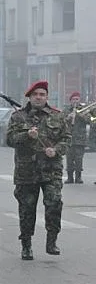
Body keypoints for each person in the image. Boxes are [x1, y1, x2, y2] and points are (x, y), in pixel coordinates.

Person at [7, 80, 71, 260]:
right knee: (27, 210)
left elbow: (66, 139)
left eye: (42, 94)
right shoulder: (18, 117)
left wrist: (56, 150)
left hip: (51, 171)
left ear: (47, 97)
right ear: (29, 97)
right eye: (35, 94)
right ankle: (26, 245)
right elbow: (10, 139)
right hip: (26, 172)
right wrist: (27, 135)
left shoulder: (57, 116)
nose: (39, 97)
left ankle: (52, 241)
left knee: (54, 204)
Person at [65, 91, 88, 184]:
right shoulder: (66, 109)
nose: (75, 101)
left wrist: (79, 114)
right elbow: (60, 121)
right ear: (70, 100)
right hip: (69, 137)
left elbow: (89, 120)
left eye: (77, 99)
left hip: (80, 139)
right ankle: (70, 177)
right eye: (73, 99)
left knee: (79, 159)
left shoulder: (84, 109)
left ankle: (78, 177)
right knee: (69, 159)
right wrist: (68, 117)